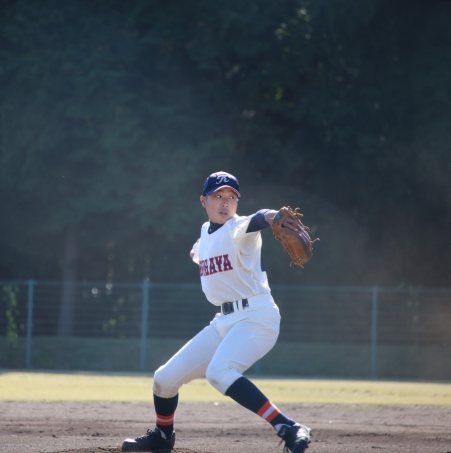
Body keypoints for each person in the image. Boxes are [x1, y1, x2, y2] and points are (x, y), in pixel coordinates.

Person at [121, 171, 312, 453]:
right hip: (223, 321)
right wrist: (195, 253)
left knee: (220, 372)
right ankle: (163, 436)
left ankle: (289, 427)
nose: (225, 202)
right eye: (218, 196)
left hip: (257, 316)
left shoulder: (239, 228)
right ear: (203, 201)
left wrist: (274, 217)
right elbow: (200, 251)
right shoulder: (205, 234)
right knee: (164, 379)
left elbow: (260, 217)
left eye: (232, 197)